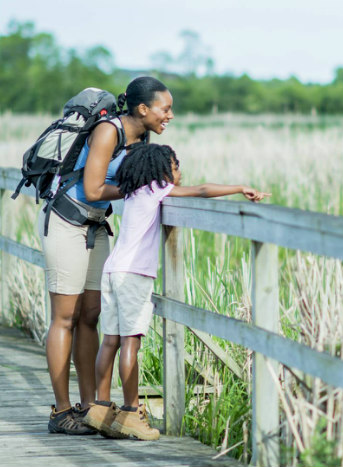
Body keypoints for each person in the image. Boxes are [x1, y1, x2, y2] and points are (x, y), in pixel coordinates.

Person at [83, 143, 269, 440]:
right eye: (175, 166)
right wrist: (239, 187)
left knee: (110, 342)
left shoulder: (133, 189)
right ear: (160, 170)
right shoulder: (157, 187)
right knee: (131, 344)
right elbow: (202, 190)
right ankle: (131, 412)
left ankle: (101, 409)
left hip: (113, 270)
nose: (179, 173)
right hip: (134, 274)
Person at [39, 76, 175, 435]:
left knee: (91, 315)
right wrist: (142, 191)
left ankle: (90, 408)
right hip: (67, 222)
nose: (170, 116)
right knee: (65, 317)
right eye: (166, 109)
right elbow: (93, 187)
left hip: (96, 224)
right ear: (143, 109)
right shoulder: (107, 131)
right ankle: (61, 411)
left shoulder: (141, 138)